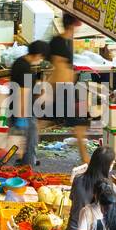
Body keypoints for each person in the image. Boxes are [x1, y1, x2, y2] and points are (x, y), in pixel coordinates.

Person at [46, 11, 90, 164]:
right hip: (63, 89)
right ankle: (86, 160)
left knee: (78, 125)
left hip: (66, 88)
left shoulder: (67, 41)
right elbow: (58, 70)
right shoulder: (59, 42)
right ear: (74, 22)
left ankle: (86, 160)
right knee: (78, 125)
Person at [8, 40, 48, 168]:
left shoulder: (20, 62)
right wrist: (22, 119)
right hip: (24, 112)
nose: (41, 60)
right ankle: (27, 173)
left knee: (19, 147)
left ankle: (21, 169)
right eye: (42, 57)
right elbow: (23, 94)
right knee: (29, 146)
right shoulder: (25, 68)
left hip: (17, 110)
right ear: (38, 55)